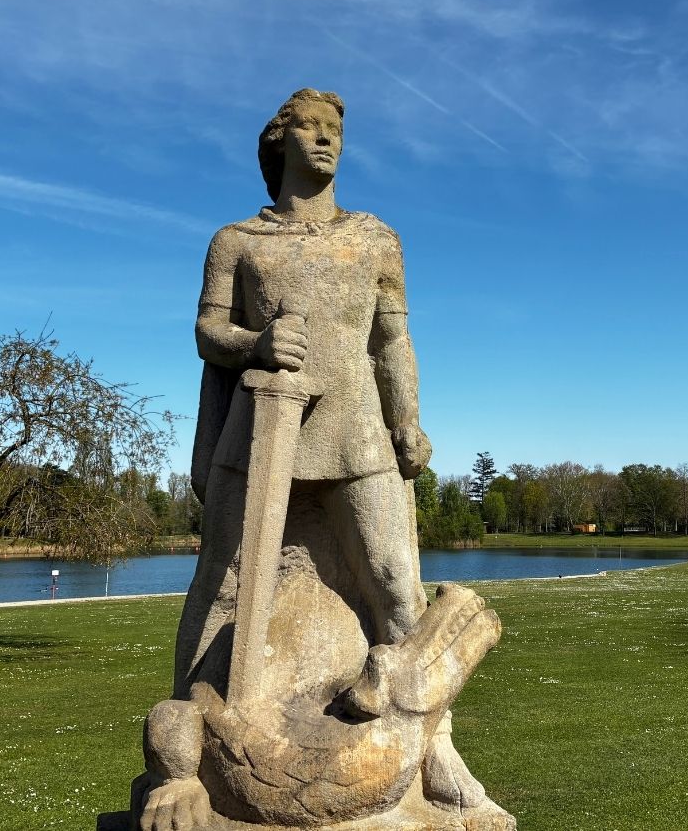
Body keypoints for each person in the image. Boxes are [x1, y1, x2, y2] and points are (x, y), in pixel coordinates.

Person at [175, 88, 488, 811]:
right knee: (220, 584)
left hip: (356, 431)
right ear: (278, 140)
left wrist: (408, 420)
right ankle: (182, 759)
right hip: (260, 433)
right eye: (310, 129)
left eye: (335, 130)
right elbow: (205, 333)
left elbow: (391, 341)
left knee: (396, 588)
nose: (326, 141)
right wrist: (254, 343)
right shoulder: (237, 241)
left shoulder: (376, 239)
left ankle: (435, 748)